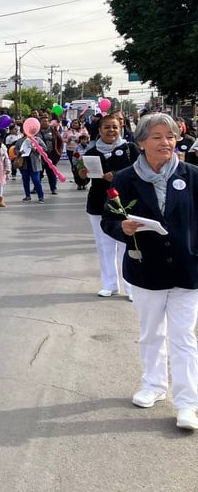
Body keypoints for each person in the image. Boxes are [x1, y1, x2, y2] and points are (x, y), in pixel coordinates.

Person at [101, 113, 198, 431]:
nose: (165, 142)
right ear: (141, 142)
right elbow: (109, 220)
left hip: (187, 270)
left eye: (170, 136)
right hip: (146, 270)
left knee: (184, 337)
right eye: (156, 136)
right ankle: (154, 386)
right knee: (151, 333)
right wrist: (123, 228)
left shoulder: (191, 175)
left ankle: (187, 404)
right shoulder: (126, 179)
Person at [79, 113, 139, 299]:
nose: (111, 130)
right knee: (104, 246)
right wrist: (81, 174)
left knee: (125, 246)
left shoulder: (130, 149)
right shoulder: (91, 153)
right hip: (98, 205)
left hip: (125, 205)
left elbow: (139, 172)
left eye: (114, 126)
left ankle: (130, 287)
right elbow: (81, 178)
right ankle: (110, 285)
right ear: (100, 130)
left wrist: (117, 175)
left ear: (120, 127)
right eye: (107, 127)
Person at [14, 125, 49, 203]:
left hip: (35, 163)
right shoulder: (20, 140)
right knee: (25, 180)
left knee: (36, 180)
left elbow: (45, 148)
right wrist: (19, 152)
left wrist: (37, 149)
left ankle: (41, 196)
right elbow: (15, 149)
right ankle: (27, 196)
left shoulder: (37, 139)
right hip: (23, 163)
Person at [40, 115, 63, 195]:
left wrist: (58, 151)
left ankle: (53, 188)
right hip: (39, 156)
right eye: (43, 121)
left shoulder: (53, 130)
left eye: (46, 121)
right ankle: (36, 187)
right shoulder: (37, 131)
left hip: (51, 155)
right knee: (39, 173)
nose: (45, 123)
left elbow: (60, 141)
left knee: (51, 173)